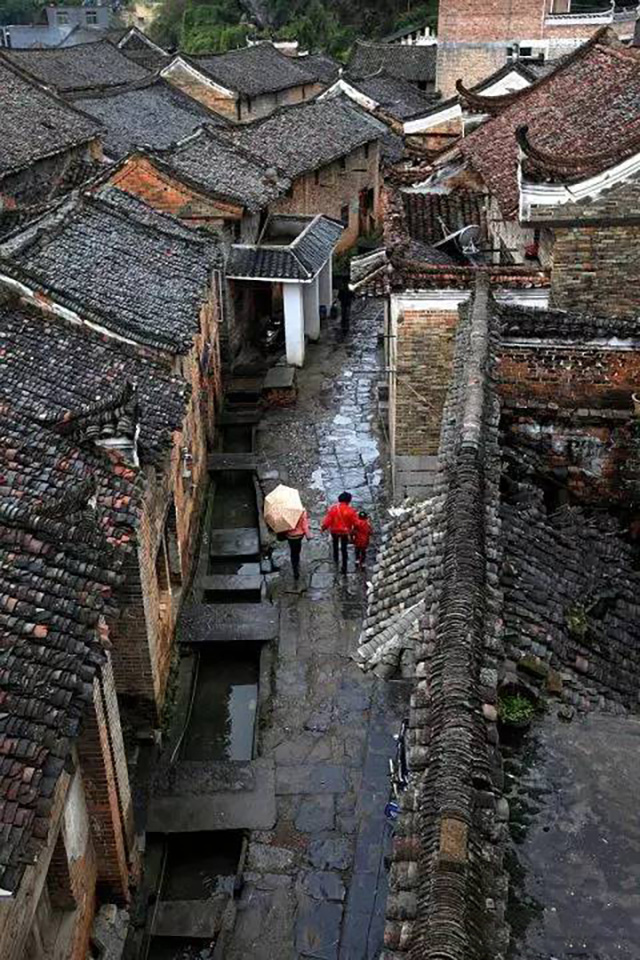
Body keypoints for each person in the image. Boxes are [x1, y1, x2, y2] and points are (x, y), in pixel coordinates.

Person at [321, 492, 357, 573]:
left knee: (335, 544)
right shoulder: (351, 511)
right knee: (344, 549)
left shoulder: (333, 508)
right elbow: (355, 522)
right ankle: (344, 567)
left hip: (334, 531)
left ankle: (336, 558)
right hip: (344, 532)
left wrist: (323, 527)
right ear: (348, 501)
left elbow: (328, 520)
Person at [285, 509, 311, 581]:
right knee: (297, 551)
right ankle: (297, 563)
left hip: (290, 535)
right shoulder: (302, 511)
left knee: (293, 552)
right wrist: (308, 535)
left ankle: (295, 568)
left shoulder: (286, 512)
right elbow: (305, 525)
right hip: (299, 536)